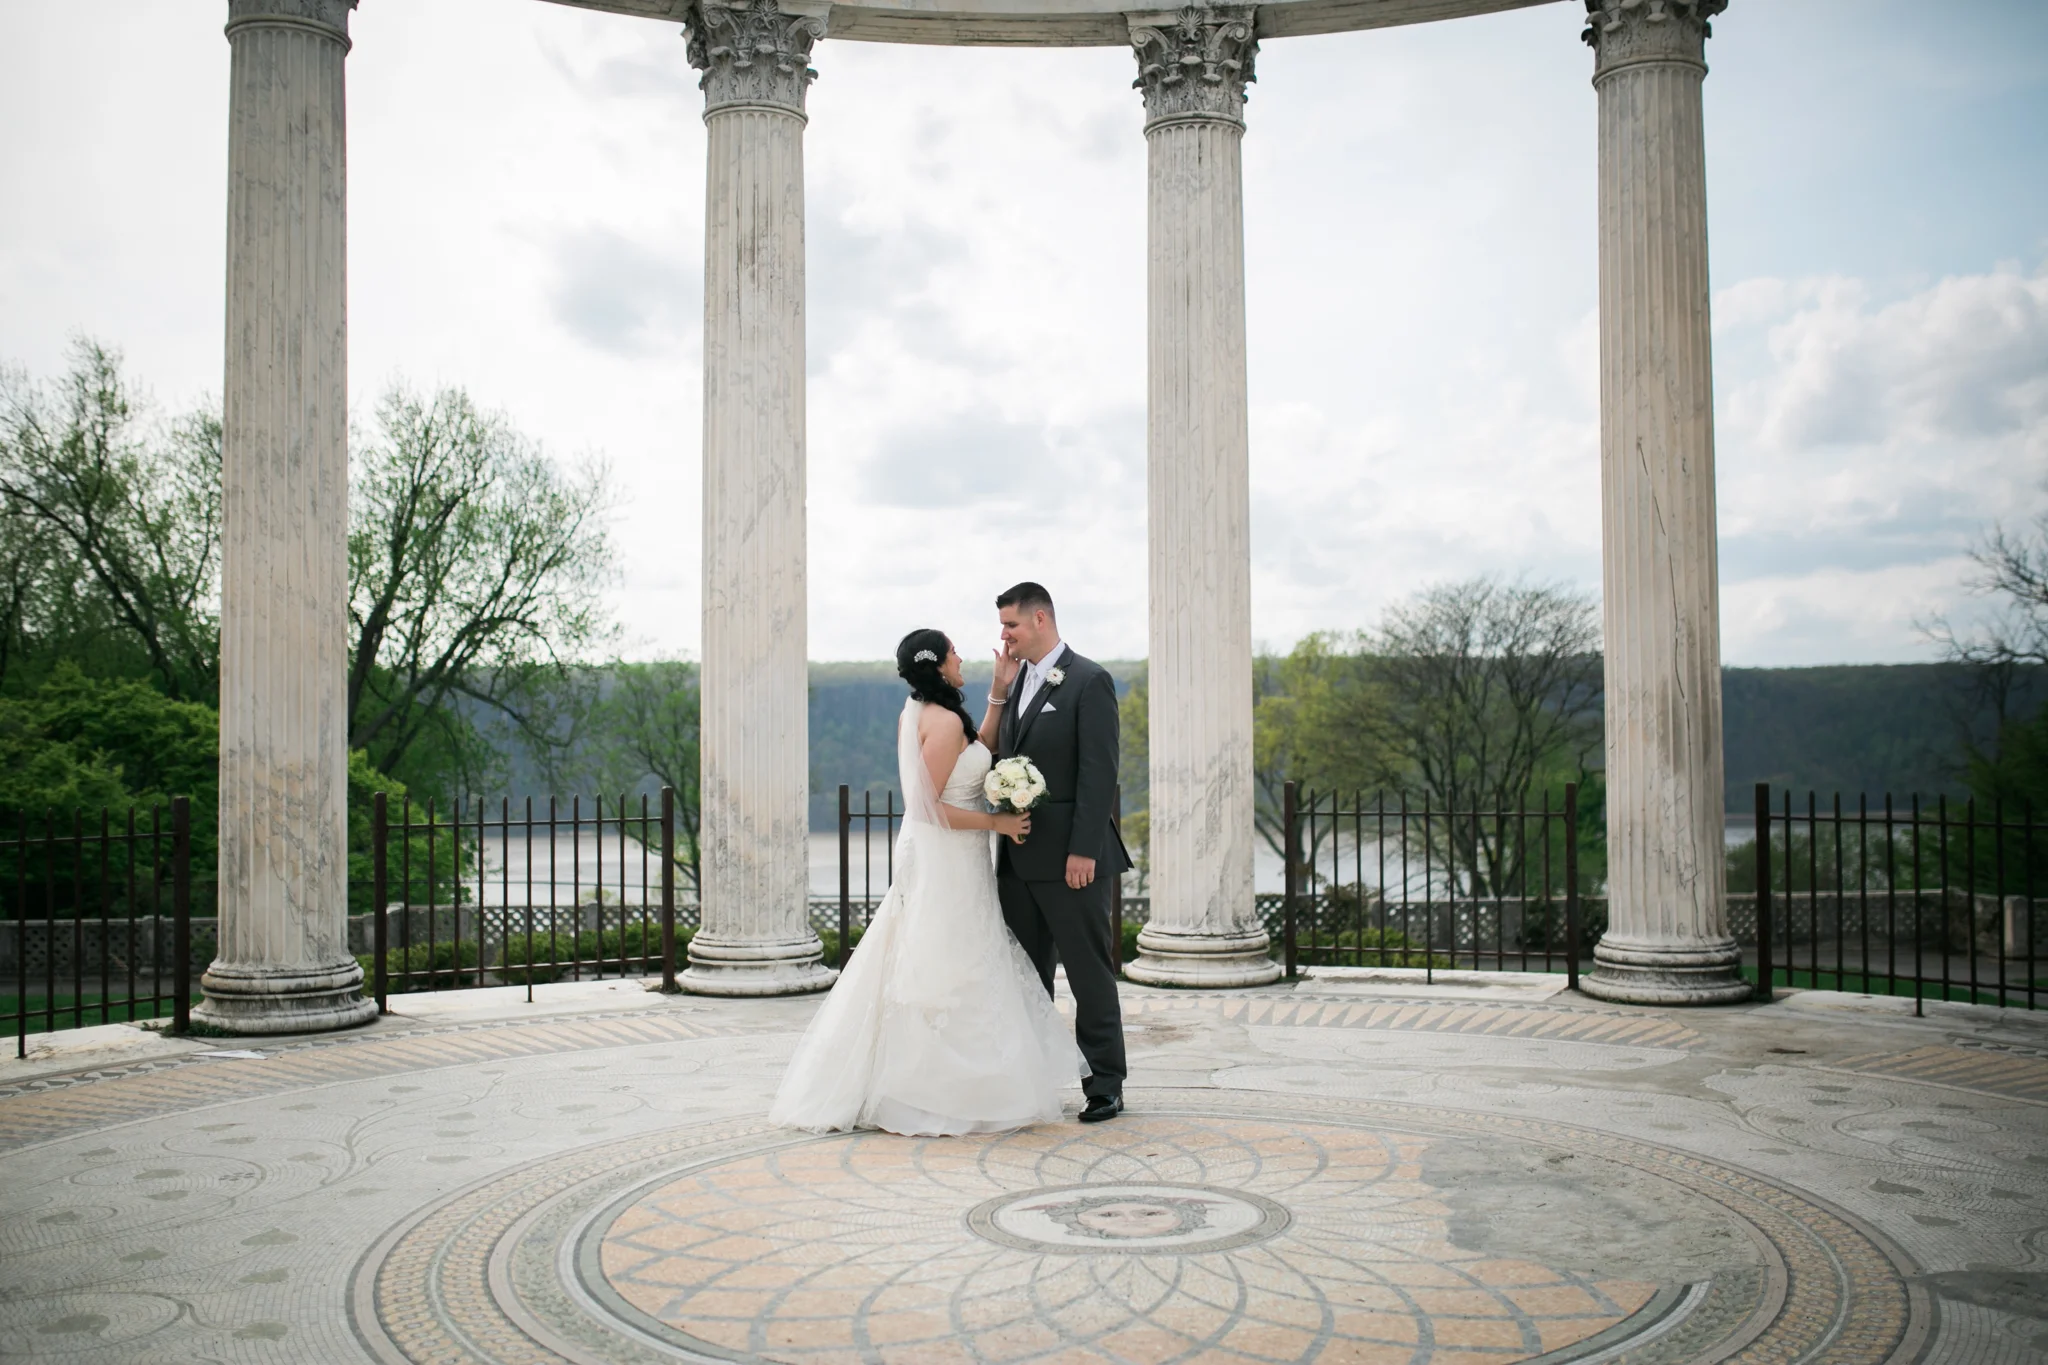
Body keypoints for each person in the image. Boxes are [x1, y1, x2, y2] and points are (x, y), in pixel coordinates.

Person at [768, 628, 1085, 1135]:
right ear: (938, 665)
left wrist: (998, 695)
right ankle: (936, 1093)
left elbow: (973, 751)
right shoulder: (936, 721)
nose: (962, 658)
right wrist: (997, 823)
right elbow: (927, 808)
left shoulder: (934, 713)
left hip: (956, 858)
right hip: (947, 860)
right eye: (954, 651)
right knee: (948, 961)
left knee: (958, 957)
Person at [982, 582, 1132, 1123]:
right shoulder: (1014, 680)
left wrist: (1084, 851)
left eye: (1011, 626)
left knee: (1089, 974)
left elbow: (1100, 771)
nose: (1004, 636)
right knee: (1026, 977)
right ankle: (1033, 1082)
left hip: (1073, 862)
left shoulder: (1089, 681)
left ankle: (1105, 1084)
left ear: (1040, 619)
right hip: (1017, 861)